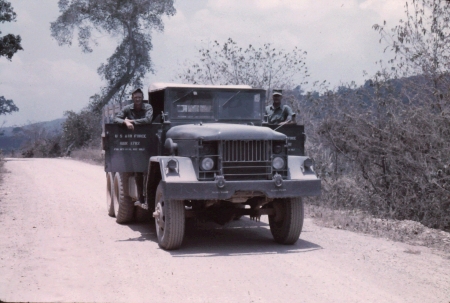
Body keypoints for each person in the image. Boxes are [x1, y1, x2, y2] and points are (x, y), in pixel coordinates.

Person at [115, 88, 153, 209]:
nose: (138, 99)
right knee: (138, 170)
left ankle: (149, 197)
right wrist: (125, 123)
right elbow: (116, 118)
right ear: (132, 98)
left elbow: (148, 120)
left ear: (142, 98)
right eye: (136, 97)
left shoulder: (148, 107)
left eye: (140, 97)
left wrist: (132, 121)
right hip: (133, 144)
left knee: (148, 170)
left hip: (147, 142)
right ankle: (141, 198)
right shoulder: (128, 108)